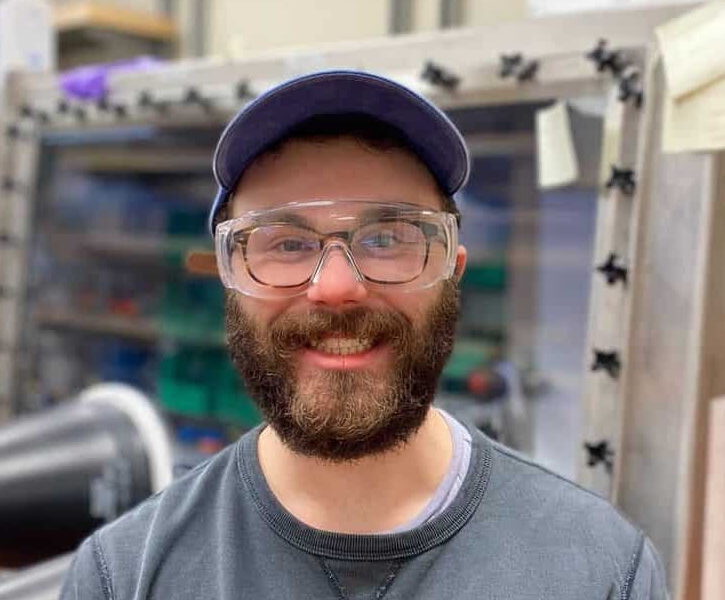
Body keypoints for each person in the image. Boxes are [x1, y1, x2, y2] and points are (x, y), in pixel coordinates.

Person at [60, 71, 668, 599]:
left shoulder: (600, 572)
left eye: (386, 238)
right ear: (230, 277)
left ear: (452, 271)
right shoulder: (125, 576)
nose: (336, 287)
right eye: (287, 243)